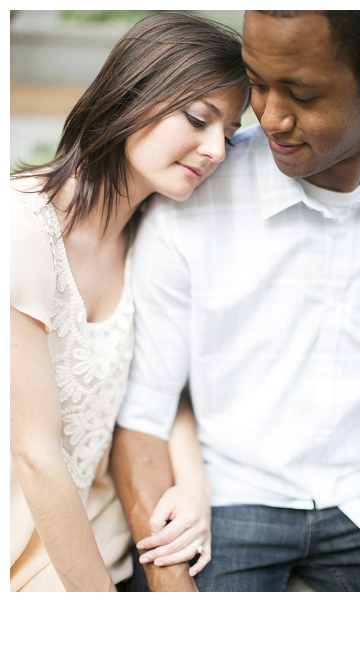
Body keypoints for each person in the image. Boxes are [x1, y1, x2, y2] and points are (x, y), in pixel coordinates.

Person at [112, 10, 360, 592]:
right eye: (258, 85)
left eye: (300, 92)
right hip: (229, 503)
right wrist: (173, 592)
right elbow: (143, 413)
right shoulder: (189, 198)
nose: (271, 117)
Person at [10, 12, 249, 591]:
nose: (216, 149)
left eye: (231, 132)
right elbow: (35, 454)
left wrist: (193, 486)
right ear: (134, 94)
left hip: (114, 535)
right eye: (198, 119)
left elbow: (166, 384)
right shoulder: (19, 226)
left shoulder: (156, 236)